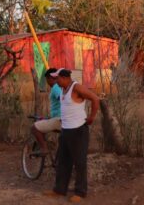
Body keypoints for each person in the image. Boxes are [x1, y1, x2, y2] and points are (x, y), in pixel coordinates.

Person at [44, 69, 100, 203]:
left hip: (78, 131)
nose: (55, 82)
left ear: (64, 78)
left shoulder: (77, 88)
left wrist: (91, 117)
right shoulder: (63, 90)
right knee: (63, 161)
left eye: (57, 79)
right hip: (66, 130)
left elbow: (95, 98)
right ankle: (59, 189)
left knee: (79, 162)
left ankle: (80, 192)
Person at [31, 67, 62, 158]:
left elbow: (62, 100)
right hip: (60, 118)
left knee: (34, 128)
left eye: (47, 79)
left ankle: (44, 148)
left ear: (50, 78)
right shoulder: (61, 86)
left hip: (59, 119)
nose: (47, 82)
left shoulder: (56, 87)